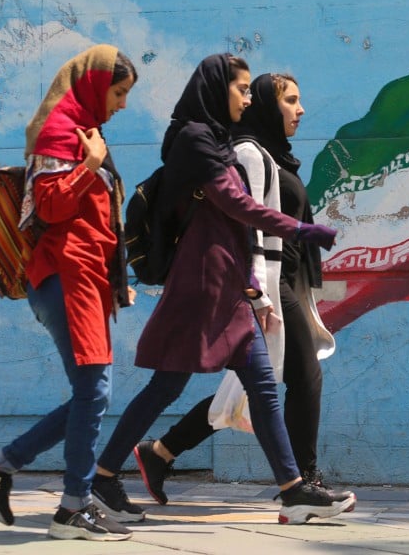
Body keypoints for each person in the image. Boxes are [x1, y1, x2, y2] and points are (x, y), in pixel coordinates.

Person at [88, 53, 352, 525]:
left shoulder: (213, 139)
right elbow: (236, 205)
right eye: (242, 89)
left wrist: (253, 287)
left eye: (252, 90)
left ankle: (292, 489)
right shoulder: (195, 140)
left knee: (264, 387)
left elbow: (228, 227)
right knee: (163, 388)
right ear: (216, 89)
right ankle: (103, 476)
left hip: (226, 283)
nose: (248, 99)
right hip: (200, 286)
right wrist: (304, 230)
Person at [0, 45, 138, 542]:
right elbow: (49, 205)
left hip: (83, 278)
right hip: (66, 274)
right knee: (95, 391)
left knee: (91, 393)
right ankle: (72, 506)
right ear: (94, 84)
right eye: (119, 92)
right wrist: (90, 166)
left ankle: (2, 464)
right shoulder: (58, 132)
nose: (122, 104)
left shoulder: (85, 131)